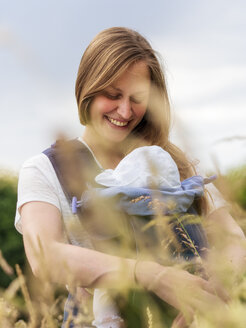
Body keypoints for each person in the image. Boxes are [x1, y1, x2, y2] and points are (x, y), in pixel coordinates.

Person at [15, 27, 246, 328]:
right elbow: (45, 257)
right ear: (87, 87)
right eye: (113, 95)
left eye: (137, 98)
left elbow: (233, 241)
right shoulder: (43, 170)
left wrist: (212, 291)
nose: (125, 111)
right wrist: (153, 276)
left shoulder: (171, 162)